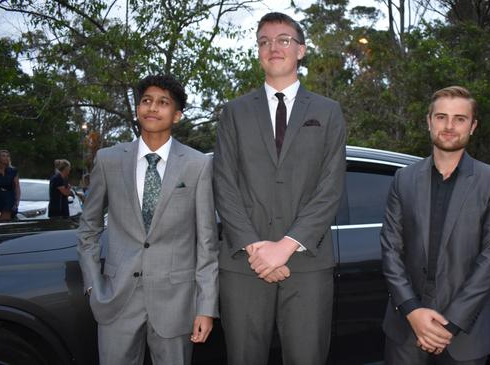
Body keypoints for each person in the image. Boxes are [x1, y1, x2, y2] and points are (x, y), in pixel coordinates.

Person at [213, 12, 346, 365]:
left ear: (300, 50)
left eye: (283, 39)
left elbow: (330, 187)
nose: (273, 47)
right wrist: (259, 250)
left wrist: (285, 247)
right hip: (244, 264)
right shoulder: (234, 112)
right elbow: (223, 183)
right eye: (264, 41)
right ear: (258, 52)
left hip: (307, 264)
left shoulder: (328, 112)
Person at [77, 75, 219, 365]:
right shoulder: (109, 159)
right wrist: (93, 284)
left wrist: (205, 306)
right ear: (138, 108)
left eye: (163, 102)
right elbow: (88, 227)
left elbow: (207, 242)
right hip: (116, 298)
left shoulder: (198, 165)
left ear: (176, 115)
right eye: (146, 101)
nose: (153, 107)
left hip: (176, 301)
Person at [380, 86, 490, 365]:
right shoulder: (403, 179)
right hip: (405, 327)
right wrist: (412, 311)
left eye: (460, 119)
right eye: (441, 117)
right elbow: (391, 249)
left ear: (473, 126)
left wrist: (449, 325)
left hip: (465, 333)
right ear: (429, 121)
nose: (449, 126)